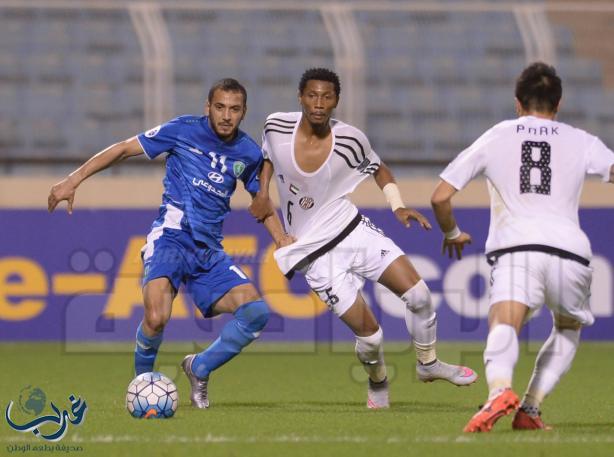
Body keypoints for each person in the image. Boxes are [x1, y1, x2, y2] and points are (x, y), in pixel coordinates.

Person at [48, 78, 291, 409]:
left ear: (244, 112)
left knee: (256, 313)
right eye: (219, 107)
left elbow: (262, 204)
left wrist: (281, 241)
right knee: (157, 316)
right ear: (208, 107)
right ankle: (141, 387)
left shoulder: (248, 153)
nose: (226, 115)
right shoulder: (182, 130)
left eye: (234, 109)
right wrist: (72, 180)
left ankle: (199, 367)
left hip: (209, 251)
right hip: (171, 239)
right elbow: (122, 149)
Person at [249, 67, 478, 409]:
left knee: (419, 295)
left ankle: (428, 363)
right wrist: (263, 192)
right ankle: (378, 382)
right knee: (371, 336)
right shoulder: (276, 125)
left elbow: (380, 169)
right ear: (300, 97)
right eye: (312, 95)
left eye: (327, 97)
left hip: (351, 230)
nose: (319, 103)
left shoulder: (351, 140)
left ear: (336, 101)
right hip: (312, 253)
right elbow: (268, 154)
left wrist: (398, 206)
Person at [431, 62, 614, 432]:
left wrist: (452, 233)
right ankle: (530, 409)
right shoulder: (581, 140)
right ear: (558, 104)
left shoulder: (498, 135)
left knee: (505, 322)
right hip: (571, 252)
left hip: (517, 248)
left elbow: (440, 197)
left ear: (518, 103)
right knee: (566, 328)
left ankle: (499, 388)